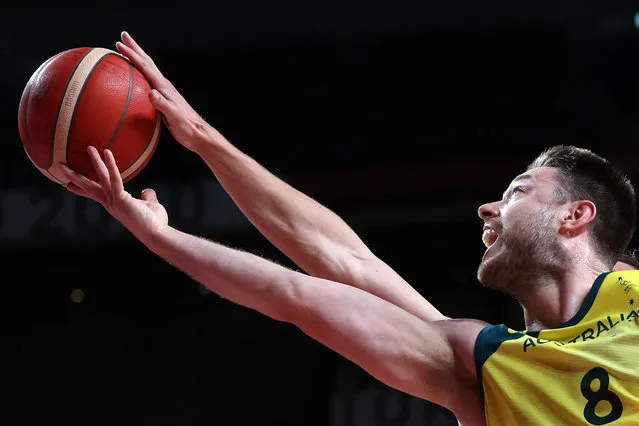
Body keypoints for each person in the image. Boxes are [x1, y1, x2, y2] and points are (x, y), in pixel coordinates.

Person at [60, 32, 639, 425]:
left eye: (514, 193)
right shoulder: (489, 368)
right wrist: (178, 200)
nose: (486, 210)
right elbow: (320, 281)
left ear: (576, 215)